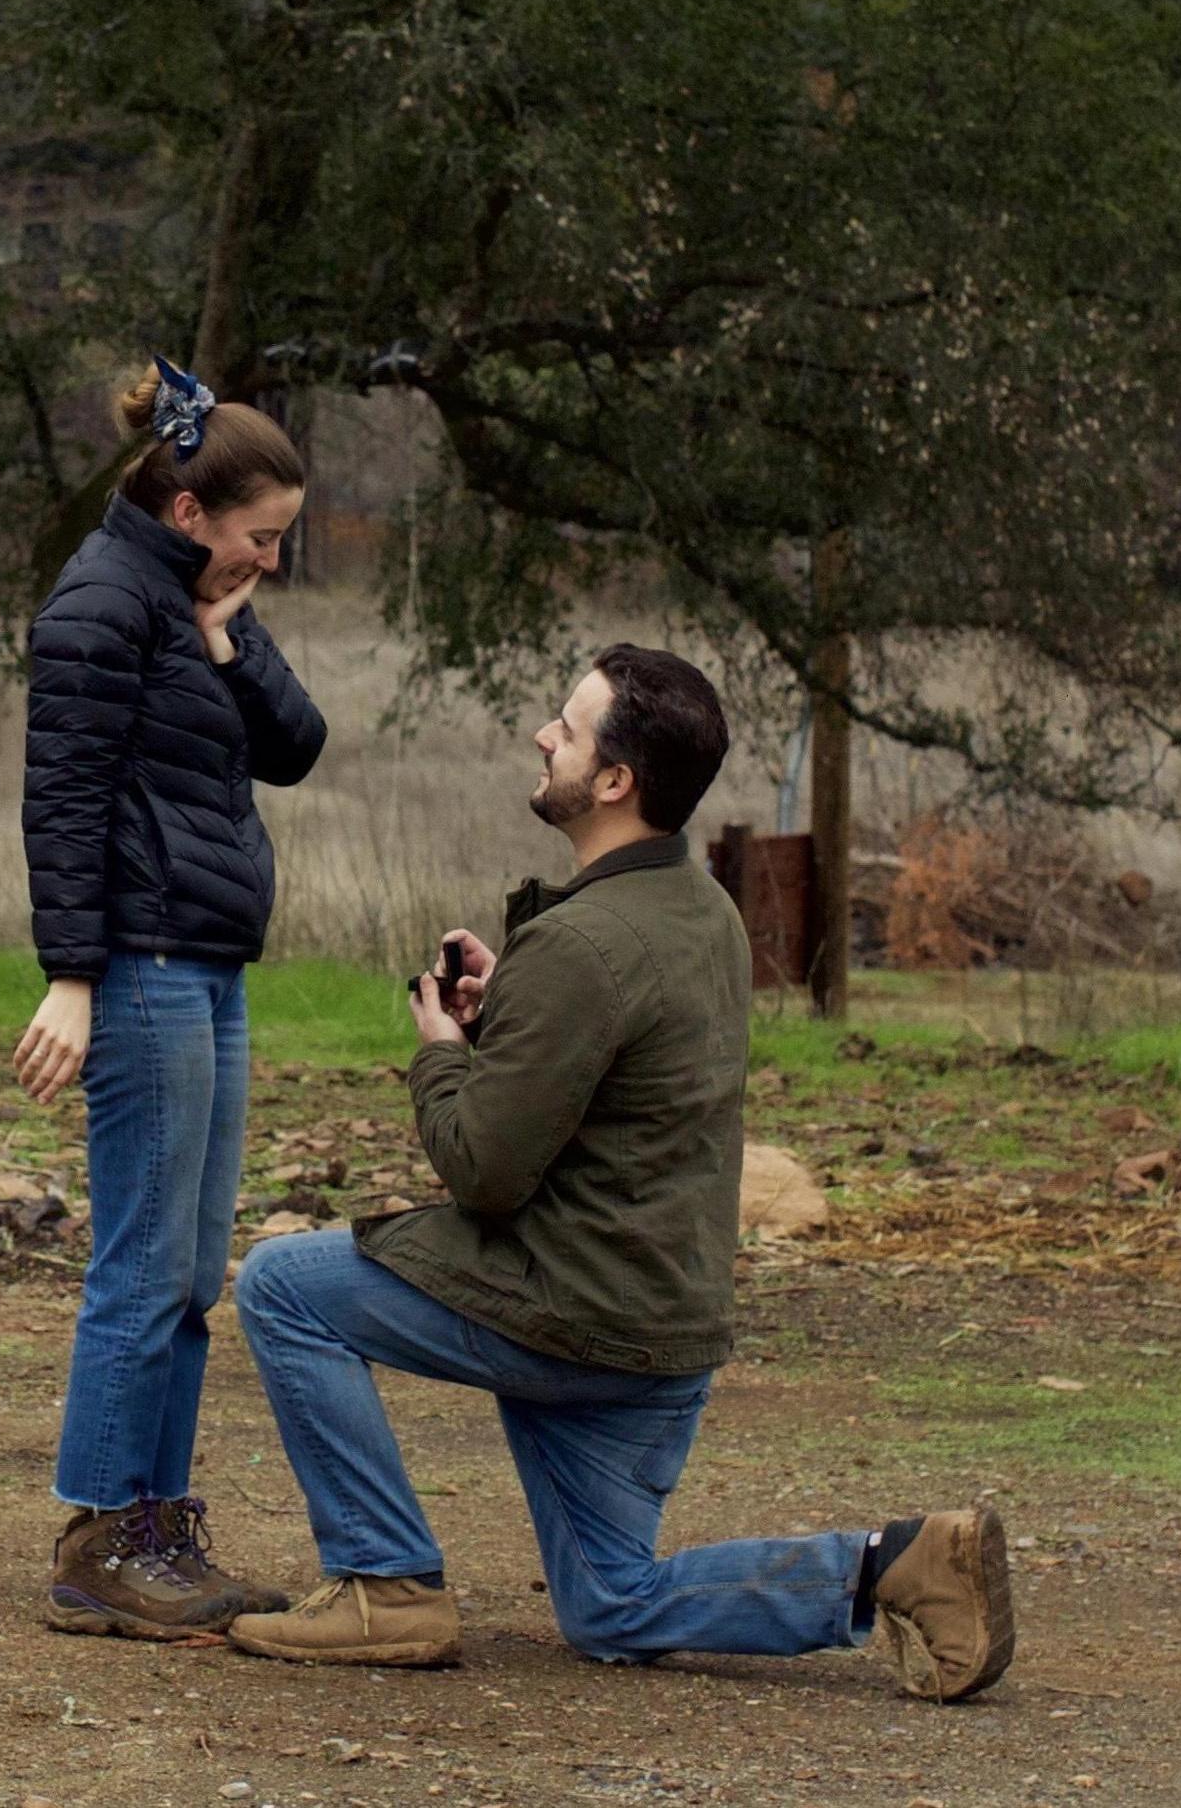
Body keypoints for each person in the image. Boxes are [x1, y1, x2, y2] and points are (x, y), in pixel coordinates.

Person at [225, 645, 1015, 1698]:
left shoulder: (584, 943)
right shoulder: (705, 914)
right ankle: (894, 1563)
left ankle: (384, 1581)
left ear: (612, 781)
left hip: (575, 1315)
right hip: (666, 1323)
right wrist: (518, 1009)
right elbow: (626, 1063)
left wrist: (444, 1051)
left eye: (567, 725)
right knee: (606, 1603)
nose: (544, 736)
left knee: (282, 1285)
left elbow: (483, 1173)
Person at [11, 355, 328, 1638]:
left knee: (193, 1267)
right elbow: (64, 804)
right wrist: (71, 978)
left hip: (208, 964)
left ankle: (159, 1522)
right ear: (190, 510)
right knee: (142, 1260)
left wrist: (230, 636)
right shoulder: (95, 606)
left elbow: (297, 748)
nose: (270, 560)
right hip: (138, 968)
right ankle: (97, 1534)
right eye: (260, 538)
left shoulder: (197, 602)